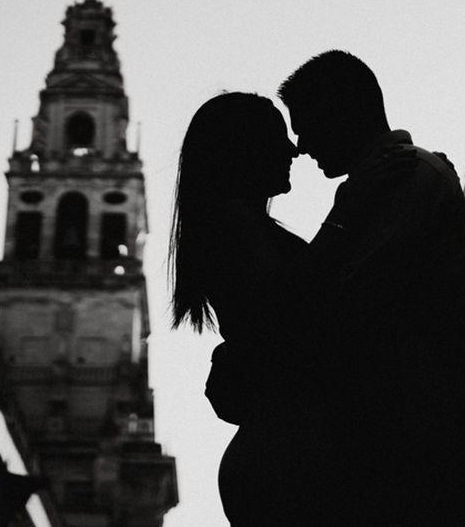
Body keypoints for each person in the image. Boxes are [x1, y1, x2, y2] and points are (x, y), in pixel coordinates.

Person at [169, 92, 410, 525]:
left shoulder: (234, 227)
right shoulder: (233, 224)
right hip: (292, 455)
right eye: (277, 137)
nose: (293, 148)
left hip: (283, 449)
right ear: (243, 150)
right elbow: (292, 302)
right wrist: (352, 205)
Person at [277, 50, 465, 525]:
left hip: (409, 438)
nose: (301, 146)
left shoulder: (405, 177)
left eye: (305, 124)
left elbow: (347, 303)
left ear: (343, 112)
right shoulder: (391, 179)